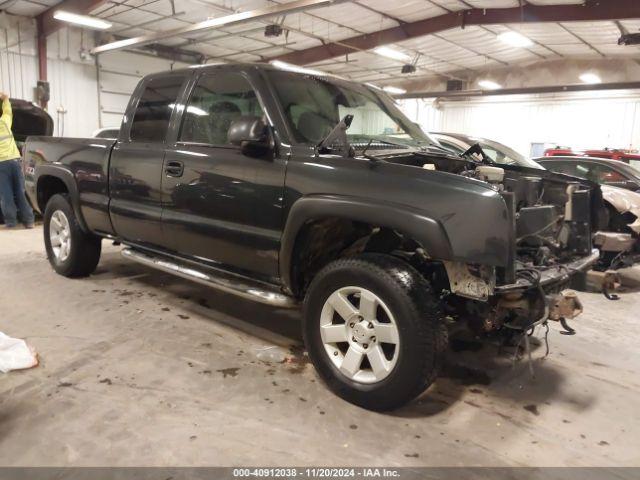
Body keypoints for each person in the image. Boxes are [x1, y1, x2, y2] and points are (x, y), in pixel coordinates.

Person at [0, 92, 34, 229]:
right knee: (20, 192)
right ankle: (29, 221)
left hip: (1, 165)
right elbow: (8, 110)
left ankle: (11, 222)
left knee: (6, 194)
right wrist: (5, 98)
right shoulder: (4, 122)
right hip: (15, 161)